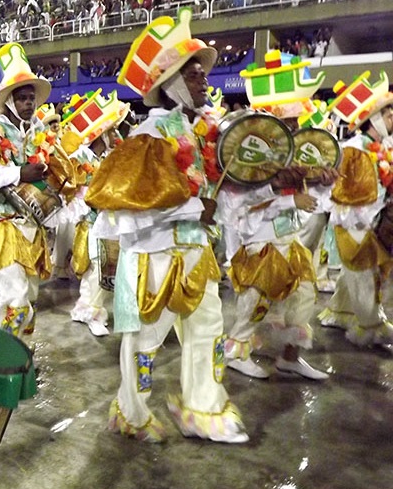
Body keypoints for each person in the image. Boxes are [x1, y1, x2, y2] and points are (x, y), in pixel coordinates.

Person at [86, 8, 248, 443]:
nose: (206, 82)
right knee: (143, 344)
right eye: (194, 75)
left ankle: (203, 409)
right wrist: (197, 210)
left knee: (207, 330)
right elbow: (124, 210)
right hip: (152, 260)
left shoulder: (203, 135)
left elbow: (217, 189)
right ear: (171, 83)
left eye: (202, 74)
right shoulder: (148, 138)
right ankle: (131, 411)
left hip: (197, 253)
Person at [217, 50, 331, 380]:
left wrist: (321, 184)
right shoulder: (248, 151)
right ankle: (236, 350)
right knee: (255, 302)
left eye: (296, 123)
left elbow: (309, 199)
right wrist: (287, 200)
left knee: (305, 294)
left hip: (289, 239)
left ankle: (290, 355)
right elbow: (239, 205)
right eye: (289, 123)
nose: (295, 129)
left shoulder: (291, 154)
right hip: (258, 243)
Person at [0, 43, 75, 337]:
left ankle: (23, 358)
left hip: (31, 230)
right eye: (22, 98)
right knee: (16, 303)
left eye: (31, 98)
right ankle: (5, 364)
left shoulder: (39, 134)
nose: (28, 103)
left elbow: (60, 174)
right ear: (9, 100)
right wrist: (17, 173)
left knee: (30, 302)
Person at [317, 71, 393, 349]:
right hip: (353, 224)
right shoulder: (353, 149)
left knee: (360, 275)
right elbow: (340, 193)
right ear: (374, 120)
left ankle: (339, 312)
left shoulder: (380, 148)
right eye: (388, 115)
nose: (392, 119)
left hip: (369, 223)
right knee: (363, 274)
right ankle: (370, 325)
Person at [60, 90, 129, 336]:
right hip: (91, 222)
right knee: (95, 269)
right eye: (111, 130)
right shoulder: (79, 158)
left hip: (114, 221)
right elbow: (74, 194)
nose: (116, 135)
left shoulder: (112, 156)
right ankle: (89, 311)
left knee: (112, 269)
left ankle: (100, 310)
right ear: (99, 133)